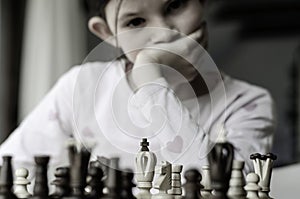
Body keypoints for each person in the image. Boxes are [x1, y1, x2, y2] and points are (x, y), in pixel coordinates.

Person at [0, 0, 275, 177]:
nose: (165, 32)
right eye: (135, 22)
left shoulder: (247, 103)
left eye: (175, 5)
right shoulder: (81, 87)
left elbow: (212, 188)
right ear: (107, 34)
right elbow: (9, 169)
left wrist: (150, 74)